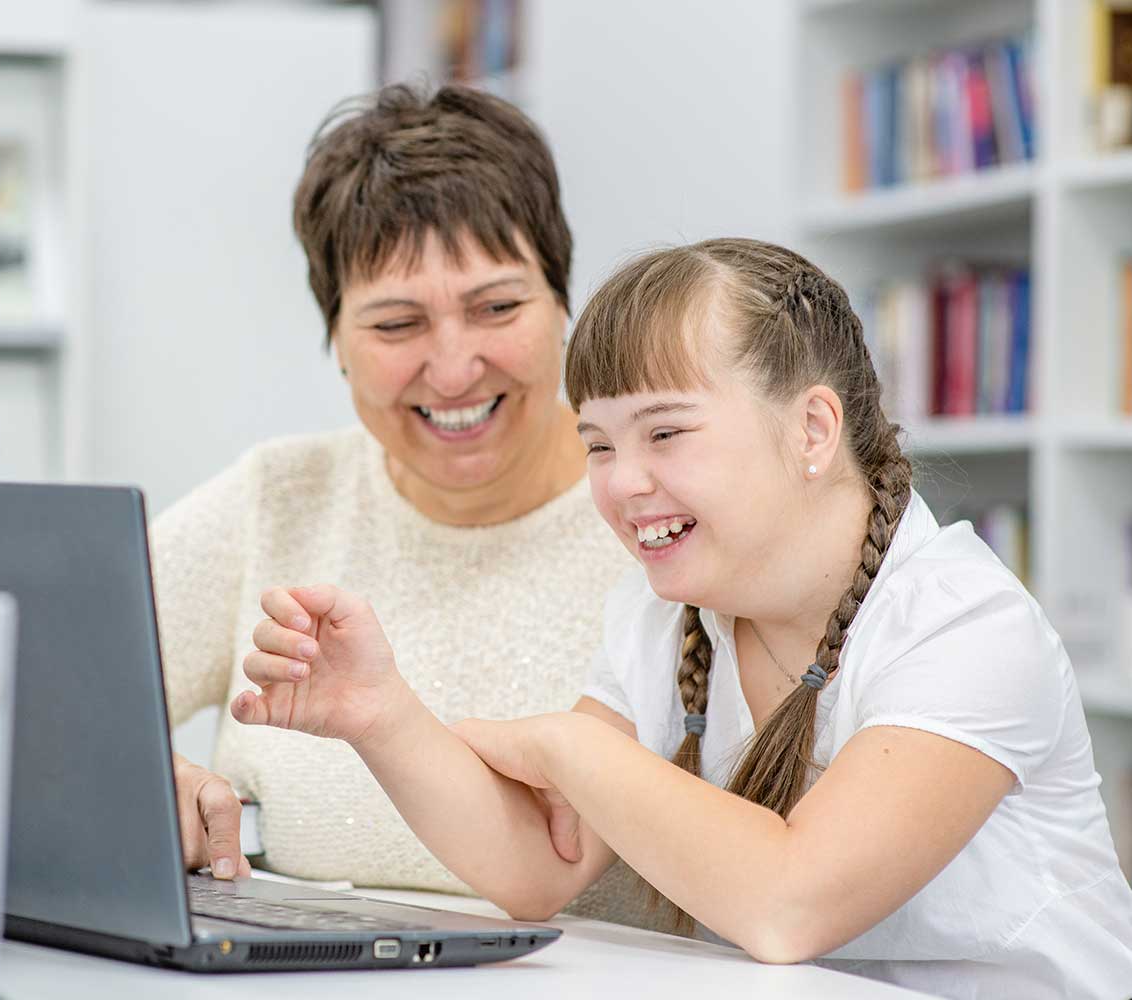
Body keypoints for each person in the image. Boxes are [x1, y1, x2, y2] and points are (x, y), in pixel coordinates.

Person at [235, 238, 1132, 997]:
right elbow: (537, 868)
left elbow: (790, 902)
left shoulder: (967, 626)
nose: (623, 483)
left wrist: (570, 749)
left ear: (814, 430)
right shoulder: (664, 618)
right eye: (598, 445)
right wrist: (379, 715)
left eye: (665, 434)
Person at [152, 82, 647, 922]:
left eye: (497, 307)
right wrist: (137, 778)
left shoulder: (660, 516)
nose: (453, 370)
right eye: (394, 325)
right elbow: (25, 698)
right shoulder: (277, 498)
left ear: (565, 305)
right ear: (335, 343)